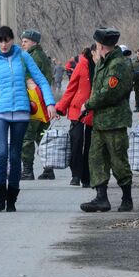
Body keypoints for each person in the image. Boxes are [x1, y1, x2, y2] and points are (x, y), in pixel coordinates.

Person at [0, 26, 56, 212]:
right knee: (1, 153)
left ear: (12, 40)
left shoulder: (23, 56)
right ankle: (0, 198)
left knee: (15, 155)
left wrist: (50, 103)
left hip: (21, 111)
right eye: (0, 41)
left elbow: (42, 80)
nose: (4, 44)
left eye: (7, 40)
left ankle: (12, 199)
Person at [78, 27, 134, 213]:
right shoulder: (104, 62)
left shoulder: (117, 64)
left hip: (115, 122)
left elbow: (109, 92)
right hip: (101, 122)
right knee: (96, 159)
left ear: (100, 45)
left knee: (118, 160)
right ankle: (101, 198)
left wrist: (89, 104)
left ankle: (127, 198)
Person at [55, 46, 94, 188]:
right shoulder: (81, 65)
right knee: (76, 142)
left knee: (90, 145)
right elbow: (71, 87)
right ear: (93, 53)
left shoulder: (103, 65)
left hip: (94, 111)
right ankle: (76, 175)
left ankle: (87, 176)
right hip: (77, 110)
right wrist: (61, 107)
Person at [19, 29, 55, 181]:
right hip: (42, 103)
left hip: (34, 102)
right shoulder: (41, 56)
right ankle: (49, 168)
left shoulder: (33, 57)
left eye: (25, 41)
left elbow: (27, 76)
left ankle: (27, 170)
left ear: (34, 42)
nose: (22, 43)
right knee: (41, 136)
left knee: (27, 136)